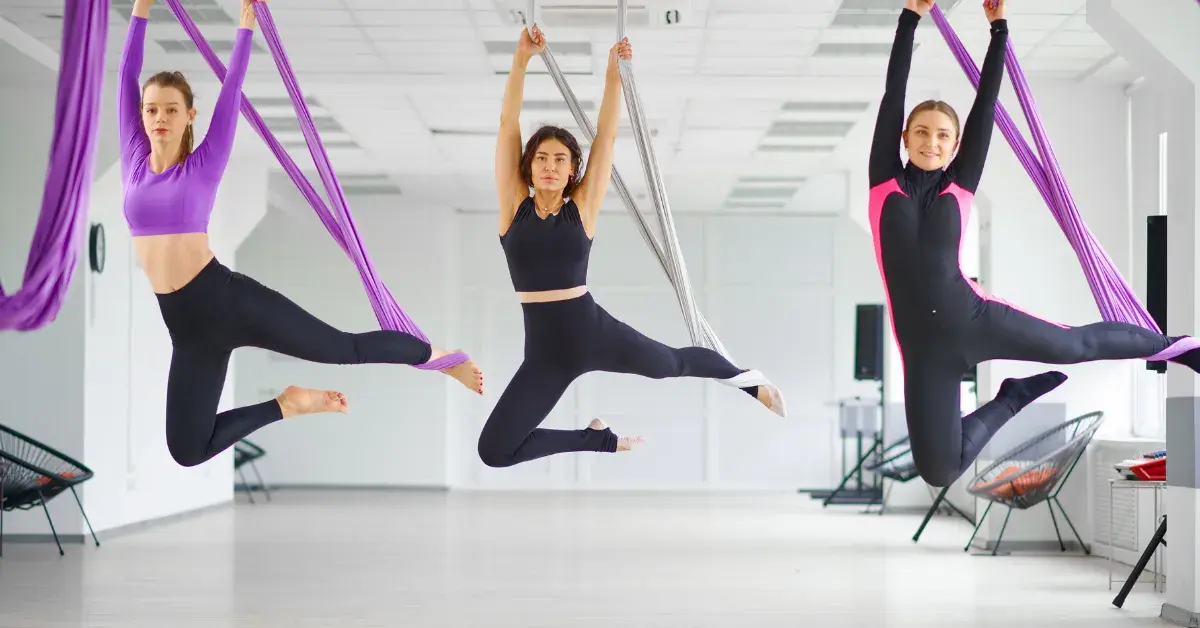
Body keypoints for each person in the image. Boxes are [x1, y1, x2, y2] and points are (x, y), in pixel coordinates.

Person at [119, 0, 483, 468]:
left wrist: (247, 28)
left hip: (228, 301)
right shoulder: (132, 155)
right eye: (150, 109)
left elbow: (231, 94)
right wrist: (141, 7)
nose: (158, 117)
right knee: (187, 450)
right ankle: (287, 405)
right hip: (186, 330)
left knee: (343, 348)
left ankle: (441, 357)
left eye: (171, 108)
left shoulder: (204, 165)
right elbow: (125, 74)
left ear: (190, 115)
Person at [868, 0, 1200, 487]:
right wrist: (910, 17)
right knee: (939, 470)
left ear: (955, 146)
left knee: (1074, 345)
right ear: (904, 136)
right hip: (924, 351)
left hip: (975, 316)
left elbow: (985, 108)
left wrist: (998, 31)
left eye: (943, 135)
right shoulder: (884, 182)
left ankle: (1175, 346)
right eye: (921, 132)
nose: (931, 142)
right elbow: (892, 91)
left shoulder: (960, 185)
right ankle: (1011, 398)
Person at [478, 25, 786, 469]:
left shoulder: (581, 207)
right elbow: (508, 124)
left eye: (560, 160)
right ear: (529, 166)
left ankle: (746, 379)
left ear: (571, 172)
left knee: (669, 364)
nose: (549, 165)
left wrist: (612, 74)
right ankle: (594, 440)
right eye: (541, 158)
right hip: (545, 356)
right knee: (494, 452)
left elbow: (605, 138)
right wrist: (520, 60)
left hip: (592, 331)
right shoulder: (513, 207)